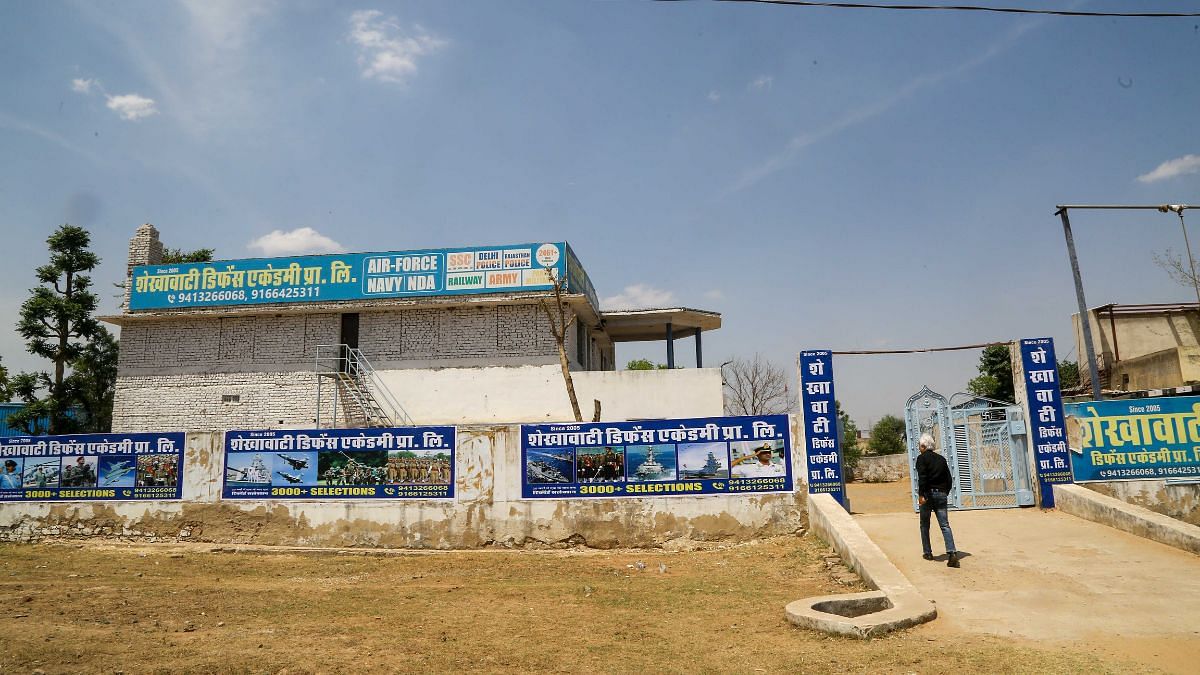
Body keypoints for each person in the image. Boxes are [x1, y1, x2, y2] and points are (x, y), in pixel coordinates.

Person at [915, 433, 959, 568]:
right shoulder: (941, 459)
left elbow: (922, 477)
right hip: (941, 495)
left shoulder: (921, 459)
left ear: (923, 446)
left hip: (928, 495)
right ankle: (952, 553)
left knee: (924, 524)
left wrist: (921, 495)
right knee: (945, 524)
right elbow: (949, 479)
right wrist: (945, 492)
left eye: (919, 446)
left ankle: (927, 552)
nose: (919, 448)